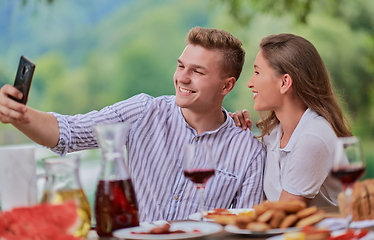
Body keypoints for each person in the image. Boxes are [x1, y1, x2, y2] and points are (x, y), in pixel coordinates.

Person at [0, 27, 265, 222]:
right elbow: (69, 133)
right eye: (181, 66)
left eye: (197, 71)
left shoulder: (248, 151)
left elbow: (244, 229)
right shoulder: (143, 111)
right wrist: (19, 114)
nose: (182, 78)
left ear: (227, 85)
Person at [231, 33, 352, 207]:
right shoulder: (273, 133)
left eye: (257, 72)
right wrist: (235, 130)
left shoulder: (313, 137)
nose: (250, 83)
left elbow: (283, 214)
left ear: (284, 82)